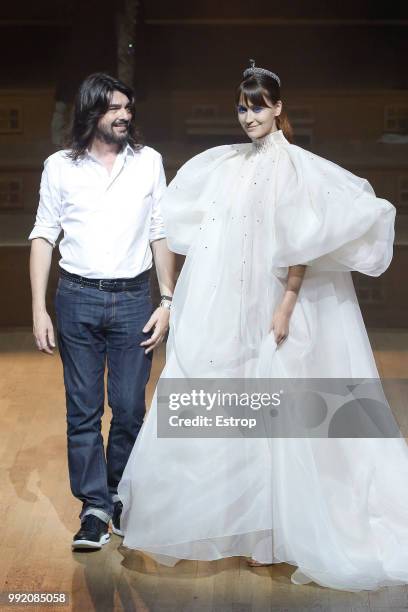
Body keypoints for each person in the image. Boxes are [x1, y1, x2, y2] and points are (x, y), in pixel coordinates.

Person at [117, 60, 408, 591]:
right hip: (233, 305)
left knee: (285, 415)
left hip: (279, 307)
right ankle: (254, 532)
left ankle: (283, 534)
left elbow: (303, 242)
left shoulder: (295, 166)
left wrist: (286, 303)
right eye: (242, 106)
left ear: (277, 107)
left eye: (257, 106)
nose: (248, 116)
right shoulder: (227, 164)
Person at [29, 73, 176, 550]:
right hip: (76, 299)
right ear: (91, 111)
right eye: (115, 107)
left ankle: (118, 494)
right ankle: (93, 507)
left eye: (128, 107)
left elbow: (161, 232)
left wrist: (168, 300)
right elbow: (43, 236)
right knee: (83, 412)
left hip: (135, 298)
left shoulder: (149, 162)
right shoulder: (59, 167)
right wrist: (38, 308)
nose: (125, 115)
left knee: (131, 407)